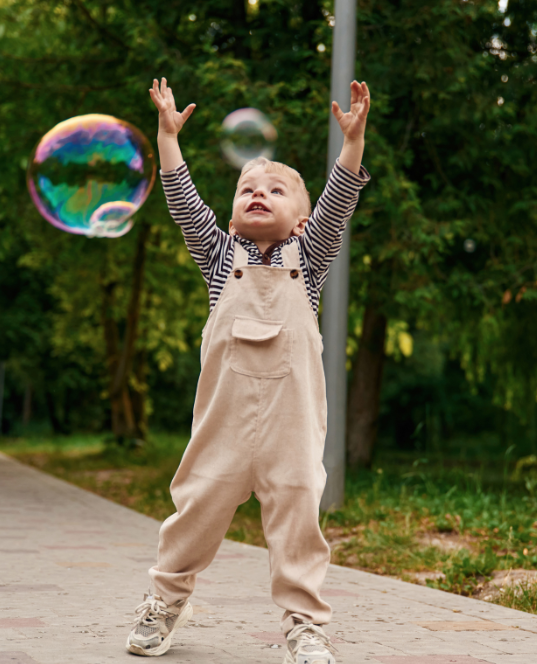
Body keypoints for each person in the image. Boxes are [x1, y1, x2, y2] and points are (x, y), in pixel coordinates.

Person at [125, 78, 370, 664]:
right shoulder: (218, 258)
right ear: (232, 216)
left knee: (298, 518)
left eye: (276, 190)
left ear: (303, 219)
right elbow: (183, 198)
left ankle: (305, 623)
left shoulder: (307, 262)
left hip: (289, 428)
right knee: (196, 510)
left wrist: (353, 143)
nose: (258, 194)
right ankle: (165, 601)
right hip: (224, 426)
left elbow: (339, 201)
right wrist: (166, 137)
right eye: (247, 190)